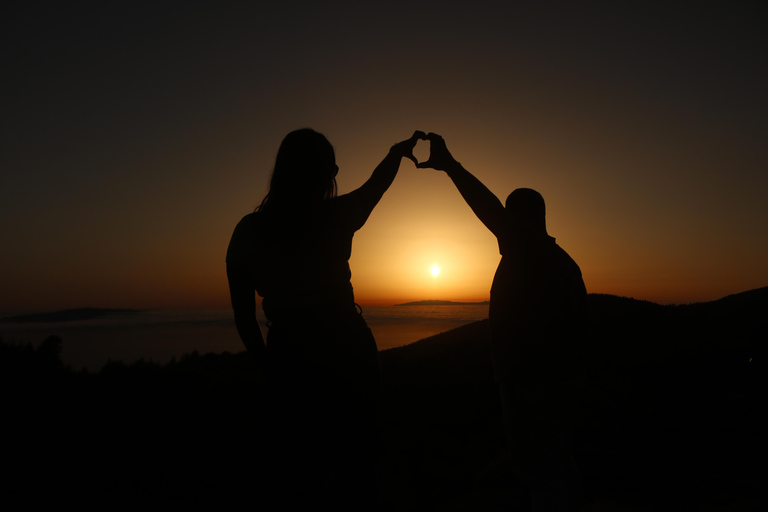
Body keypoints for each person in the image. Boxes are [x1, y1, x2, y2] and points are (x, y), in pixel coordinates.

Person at [226, 128, 426, 510]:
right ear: (318, 172)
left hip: (290, 353)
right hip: (347, 348)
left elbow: (244, 316)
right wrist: (395, 153)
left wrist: (269, 367)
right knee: (358, 467)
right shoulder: (336, 216)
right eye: (331, 167)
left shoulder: (248, 232)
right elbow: (376, 186)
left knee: (303, 472)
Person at [418, 133, 588, 512]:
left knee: (540, 474)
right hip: (565, 380)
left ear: (518, 220)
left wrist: (450, 166)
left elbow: (486, 206)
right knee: (559, 461)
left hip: (534, 383)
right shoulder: (565, 262)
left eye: (509, 218)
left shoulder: (527, 250)